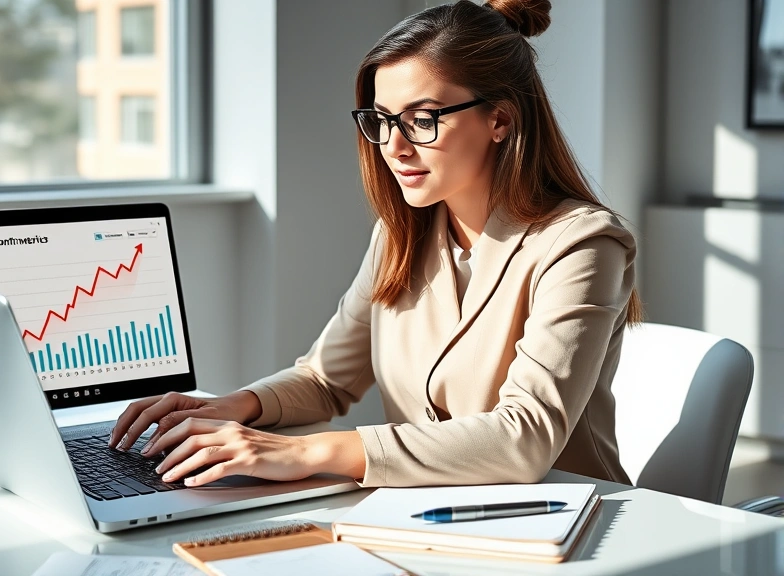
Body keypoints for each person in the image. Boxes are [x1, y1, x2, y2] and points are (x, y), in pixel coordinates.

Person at [109, 0, 640, 488]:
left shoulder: (583, 244)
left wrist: (307, 451)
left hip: (573, 521)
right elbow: (325, 380)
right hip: (428, 518)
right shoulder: (401, 234)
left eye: (422, 120)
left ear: (499, 119)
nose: (394, 146)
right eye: (382, 121)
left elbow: (524, 438)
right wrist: (232, 407)